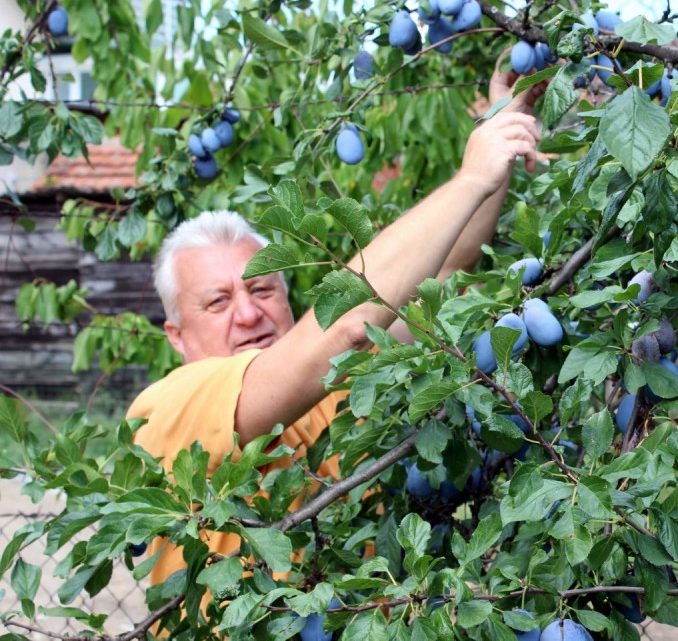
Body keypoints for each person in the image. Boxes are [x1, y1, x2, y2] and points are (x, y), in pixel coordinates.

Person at [128, 66, 546, 589]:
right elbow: (347, 325)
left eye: (261, 290)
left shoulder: (339, 388)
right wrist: (468, 179)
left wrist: (501, 134)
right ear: (176, 336)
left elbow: (442, 278)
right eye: (217, 302)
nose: (248, 314)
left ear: (286, 297)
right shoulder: (168, 408)